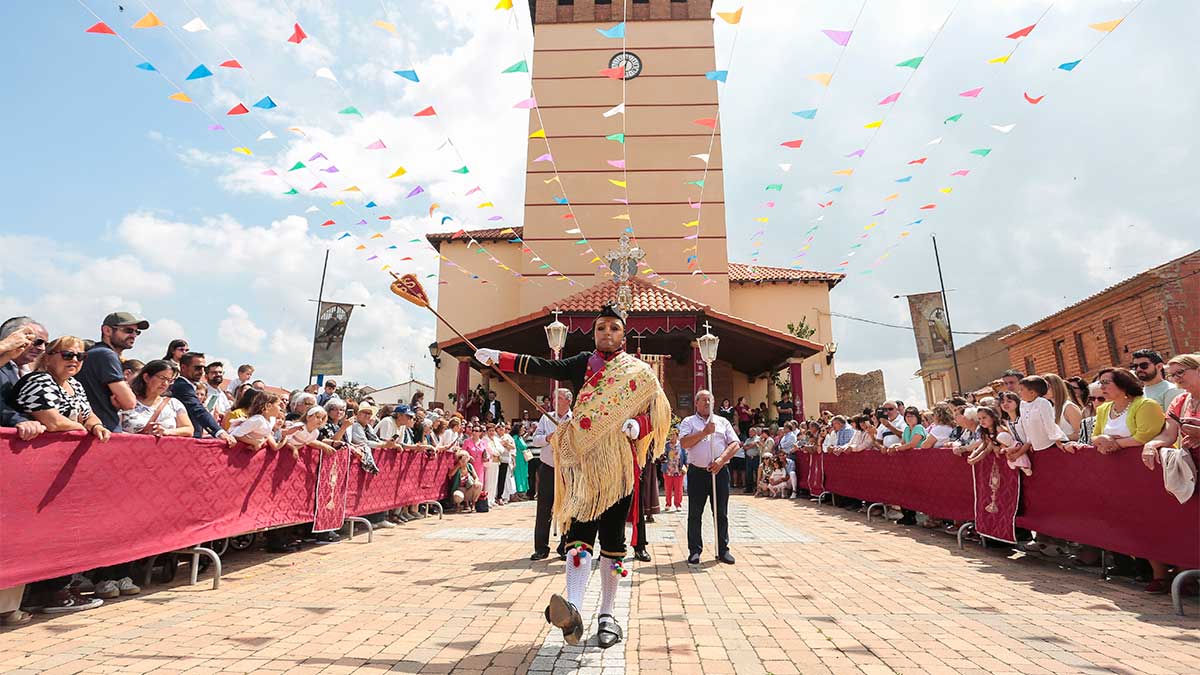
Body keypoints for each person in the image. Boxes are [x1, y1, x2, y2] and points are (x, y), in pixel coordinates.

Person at [474, 302, 670, 650]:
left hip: (619, 467)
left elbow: (657, 414)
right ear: (594, 333)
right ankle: (575, 607)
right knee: (578, 538)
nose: (606, 333)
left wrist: (636, 425)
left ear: (623, 333)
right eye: (600, 328)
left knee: (612, 542)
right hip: (583, 464)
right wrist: (499, 358)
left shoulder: (639, 373)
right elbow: (544, 366)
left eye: (613, 328)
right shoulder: (584, 363)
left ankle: (607, 615)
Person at [679, 389, 742, 566]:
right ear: (696, 403)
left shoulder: (722, 421)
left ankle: (723, 549)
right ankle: (695, 551)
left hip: (720, 472)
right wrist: (704, 432)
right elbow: (684, 443)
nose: (707, 403)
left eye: (710, 400)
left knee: (721, 512)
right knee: (695, 513)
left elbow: (735, 443)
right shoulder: (688, 422)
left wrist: (721, 460)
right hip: (697, 473)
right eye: (704, 400)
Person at [12, 336, 111, 442]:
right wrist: (83, 429)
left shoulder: (75, 384)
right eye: (67, 355)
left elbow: (89, 415)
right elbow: (54, 423)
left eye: (80, 356)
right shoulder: (38, 381)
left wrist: (96, 426)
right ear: (48, 358)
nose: (74, 360)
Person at [76, 312, 145, 432]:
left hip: (90, 427)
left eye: (137, 332)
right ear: (107, 330)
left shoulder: (93, 353)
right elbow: (129, 403)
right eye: (128, 330)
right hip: (102, 429)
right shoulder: (106, 355)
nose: (134, 335)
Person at [530, 388, 572, 561]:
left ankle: (565, 546)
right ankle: (541, 548)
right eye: (555, 398)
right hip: (548, 467)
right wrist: (548, 438)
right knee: (544, 508)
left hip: (568, 470)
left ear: (569, 401)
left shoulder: (575, 419)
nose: (556, 401)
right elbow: (535, 439)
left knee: (567, 508)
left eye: (559, 398)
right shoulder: (546, 418)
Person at [170, 352, 236, 446]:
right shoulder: (182, 386)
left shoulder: (190, 386)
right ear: (183, 368)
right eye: (197, 368)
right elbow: (198, 410)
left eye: (203, 368)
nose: (201, 371)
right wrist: (219, 432)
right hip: (183, 442)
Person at [0, 316, 49, 440]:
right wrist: (20, 420)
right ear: (12, 338)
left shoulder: (35, 374)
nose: (42, 348)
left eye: (46, 344)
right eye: (38, 342)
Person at [120, 360, 193, 436]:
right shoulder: (127, 401)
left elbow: (188, 429)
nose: (165, 383)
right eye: (162, 378)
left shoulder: (174, 404)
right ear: (146, 377)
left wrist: (166, 431)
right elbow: (115, 430)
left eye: (169, 380)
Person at [662, 429, 686, 512]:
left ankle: (678, 504)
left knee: (678, 489)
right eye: (670, 435)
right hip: (668, 469)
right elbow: (662, 455)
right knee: (668, 488)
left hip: (678, 470)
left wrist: (686, 466)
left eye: (673, 435)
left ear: (677, 435)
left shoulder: (681, 445)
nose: (671, 437)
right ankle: (668, 504)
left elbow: (685, 456)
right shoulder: (666, 445)